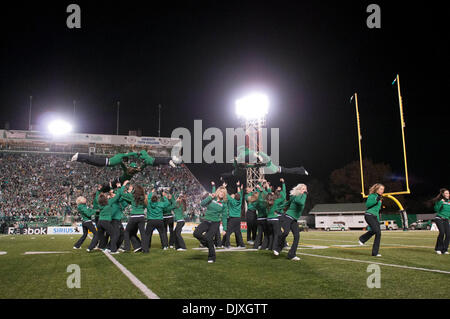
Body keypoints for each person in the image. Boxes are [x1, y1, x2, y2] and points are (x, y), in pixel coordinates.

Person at [87, 181, 129, 253]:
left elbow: (97, 197)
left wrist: (100, 190)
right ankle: (112, 249)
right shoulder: (110, 202)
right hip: (107, 221)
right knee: (114, 234)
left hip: (100, 221)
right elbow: (118, 194)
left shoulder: (100, 203)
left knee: (99, 235)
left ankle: (90, 248)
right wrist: (121, 186)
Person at [194, 187, 227, 263]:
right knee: (196, 233)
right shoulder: (211, 198)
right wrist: (209, 197)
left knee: (208, 237)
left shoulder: (224, 204)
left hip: (215, 223)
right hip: (206, 221)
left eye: (223, 193)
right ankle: (210, 245)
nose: (222, 193)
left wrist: (225, 228)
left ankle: (212, 257)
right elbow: (202, 204)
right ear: (218, 192)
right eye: (221, 191)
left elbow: (224, 217)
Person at [278, 183, 307, 261]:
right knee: (286, 233)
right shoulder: (297, 197)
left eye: (305, 189)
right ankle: (278, 246)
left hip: (294, 219)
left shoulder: (300, 197)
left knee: (297, 236)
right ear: (299, 189)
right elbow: (298, 202)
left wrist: (303, 195)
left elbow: (291, 203)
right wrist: (277, 208)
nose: (305, 190)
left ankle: (291, 255)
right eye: (303, 189)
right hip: (288, 217)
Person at [358, 183, 384, 257]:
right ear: (377, 189)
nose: (382, 191)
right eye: (381, 189)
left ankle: (375, 253)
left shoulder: (380, 198)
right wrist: (376, 200)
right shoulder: (372, 196)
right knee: (376, 231)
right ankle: (362, 239)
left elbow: (377, 211)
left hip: (375, 217)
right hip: (369, 215)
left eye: (383, 189)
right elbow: (368, 205)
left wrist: (378, 220)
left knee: (378, 233)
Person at [121, 184, 149, 253]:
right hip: (141, 217)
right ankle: (145, 249)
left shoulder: (132, 196)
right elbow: (145, 206)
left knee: (127, 232)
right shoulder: (144, 197)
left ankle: (127, 248)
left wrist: (122, 186)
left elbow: (122, 194)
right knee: (143, 234)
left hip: (134, 217)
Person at [265, 178, 286, 255]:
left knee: (271, 234)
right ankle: (275, 248)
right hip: (274, 219)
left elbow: (268, 193)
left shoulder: (266, 203)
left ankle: (270, 247)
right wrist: (281, 190)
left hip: (268, 220)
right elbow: (284, 197)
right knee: (277, 234)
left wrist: (266, 185)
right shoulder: (276, 202)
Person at [224, 181, 245, 248]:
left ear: (234, 197)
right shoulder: (240, 200)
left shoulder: (232, 201)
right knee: (238, 232)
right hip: (238, 219)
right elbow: (240, 193)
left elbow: (226, 194)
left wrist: (224, 187)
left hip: (232, 218)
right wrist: (238, 186)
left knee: (228, 232)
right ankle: (241, 245)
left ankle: (227, 244)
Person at [432, 188, 450, 255]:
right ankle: (438, 249)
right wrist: (440, 202)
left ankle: (444, 250)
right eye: (446, 193)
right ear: (443, 194)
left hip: (446, 219)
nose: (447, 194)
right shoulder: (440, 201)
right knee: (442, 233)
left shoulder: (449, 202)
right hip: (439, 218)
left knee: (448, 235)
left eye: (448, 193)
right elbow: (436, 209)